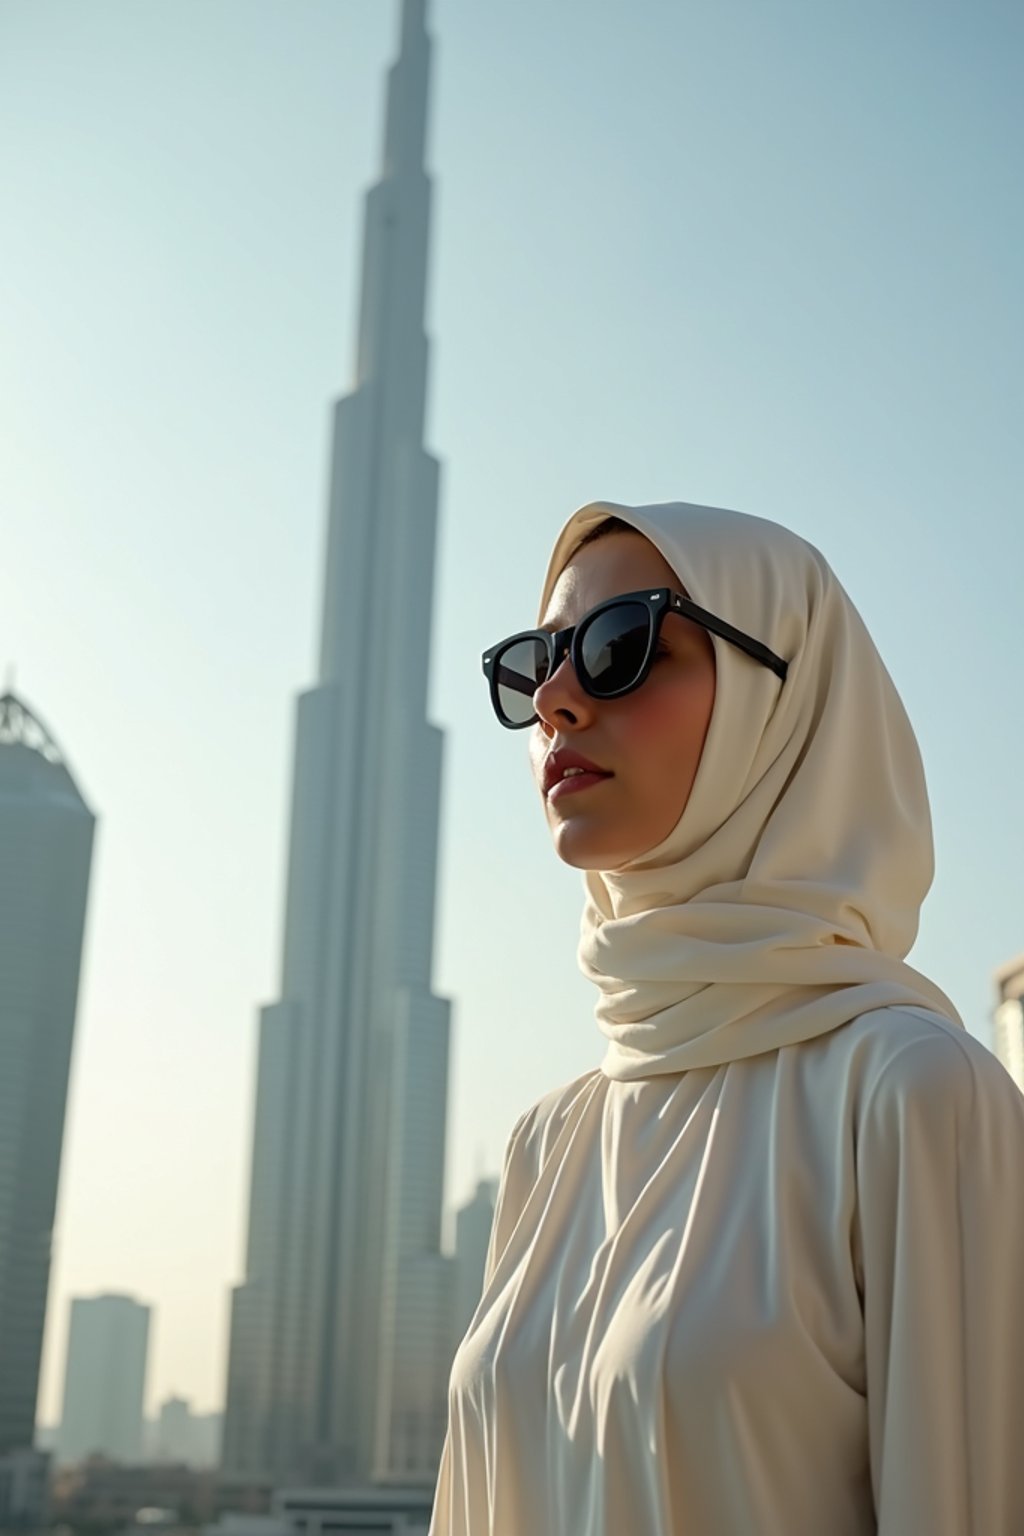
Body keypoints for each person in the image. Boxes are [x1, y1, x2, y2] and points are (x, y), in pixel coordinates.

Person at [428, 499, 1024, 1536]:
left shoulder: (914, 1094)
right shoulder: (547, 1144)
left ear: (779, 701)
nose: (558, 699)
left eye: (620, 648)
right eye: (535, 664)